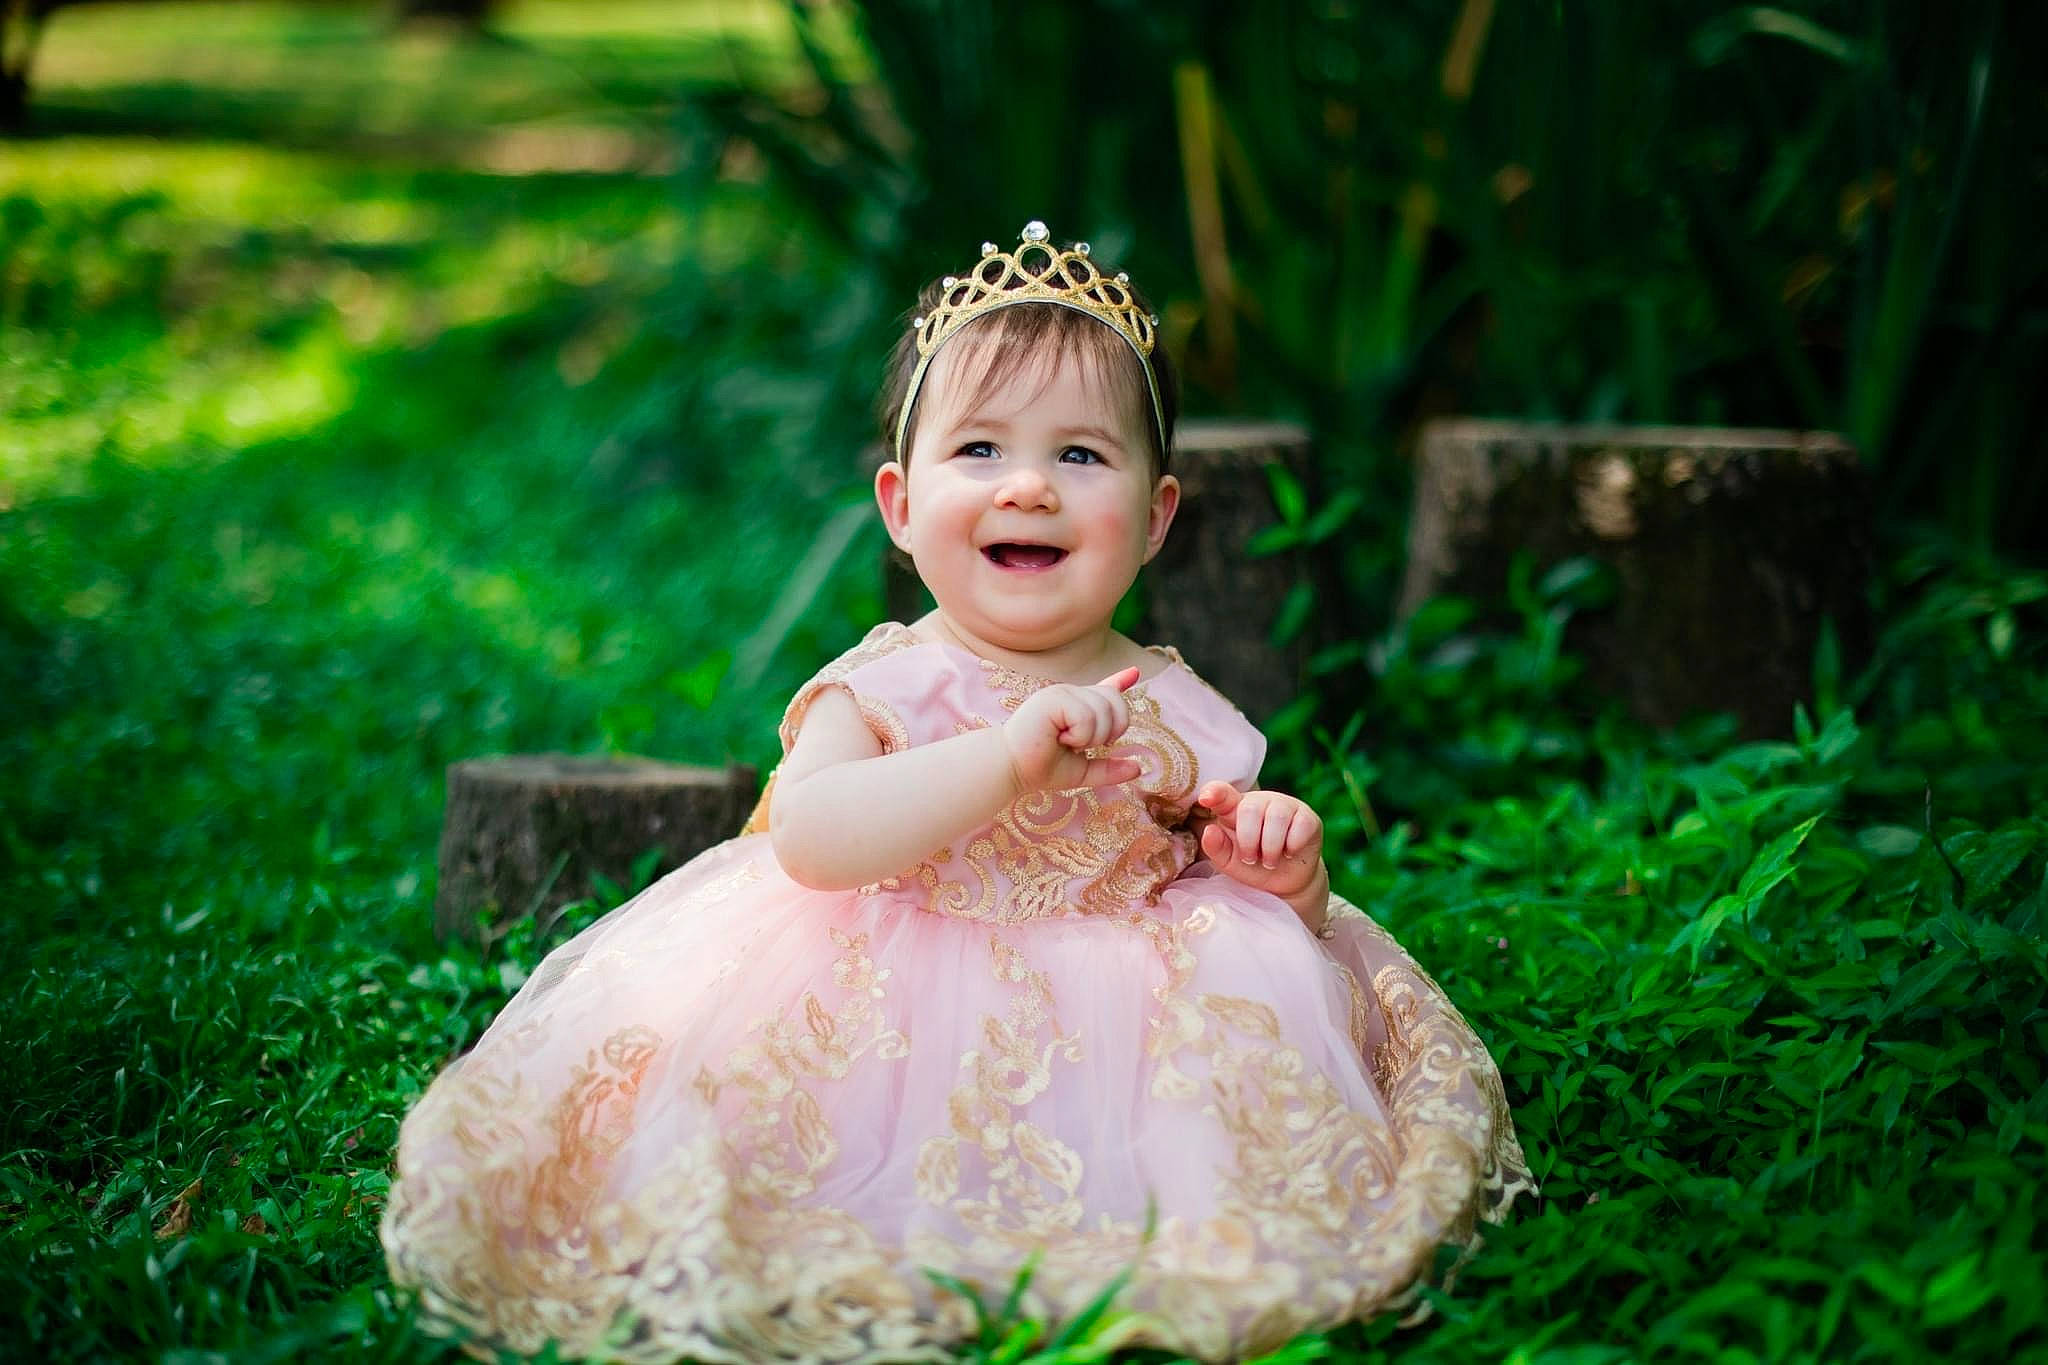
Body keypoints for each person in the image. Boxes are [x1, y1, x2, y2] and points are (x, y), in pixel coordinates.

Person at [380, 222, 1533, 1363]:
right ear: (897, 503)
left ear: (1155, 518)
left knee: (1199, 1147)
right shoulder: (883, 684)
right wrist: (1006, 760)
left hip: (1124, 1037)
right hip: (876, 998)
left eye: (1081, 456)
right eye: (977, 449)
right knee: (785, 1164)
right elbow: (816, 840)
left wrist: (1286, 875)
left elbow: (1246, 893)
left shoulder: (1172, 704)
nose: (1026, 486)